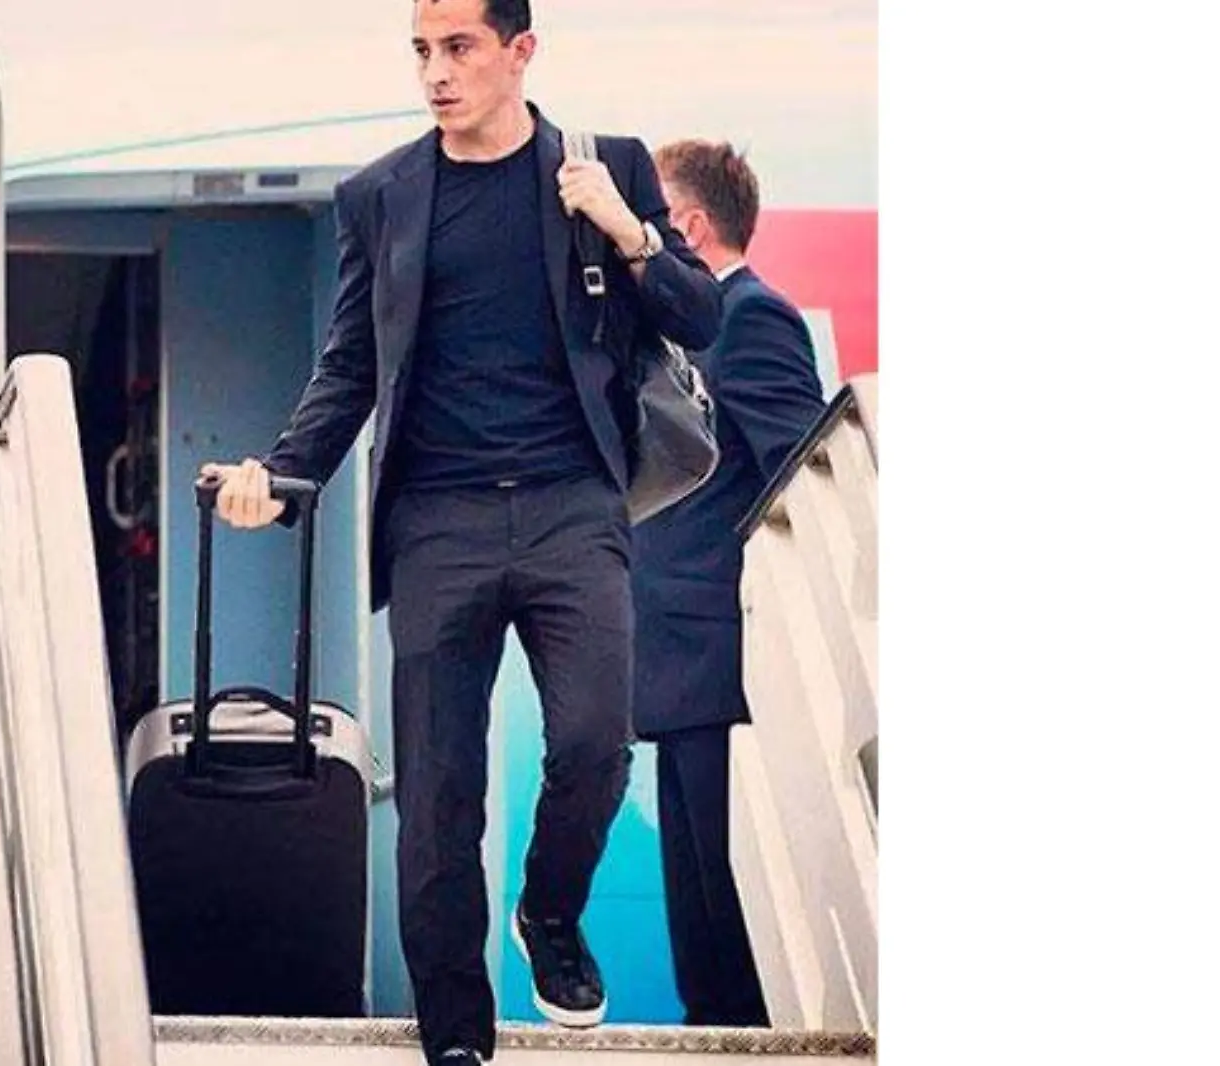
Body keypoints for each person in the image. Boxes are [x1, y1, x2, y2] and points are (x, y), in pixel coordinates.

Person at [199, 2, 721, 1061]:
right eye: (422, 52)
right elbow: (350, 366)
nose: (436, 72)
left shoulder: (605, 165)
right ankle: (455, 1034)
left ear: (520, 51)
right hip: (438, 518)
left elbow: (701, 317)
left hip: (575, 506)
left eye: (459, 48)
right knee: (438, 793)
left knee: (593, 743)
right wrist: (282, 477)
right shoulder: (378, 196)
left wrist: (626, 231)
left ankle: (549, 912)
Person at [632, 139, 826, 1027]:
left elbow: (801, 474)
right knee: (699, 927)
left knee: (734, 917)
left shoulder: (752, 319)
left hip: (727, 657)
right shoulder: (680, 332)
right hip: (677, 662)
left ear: (690, 225)